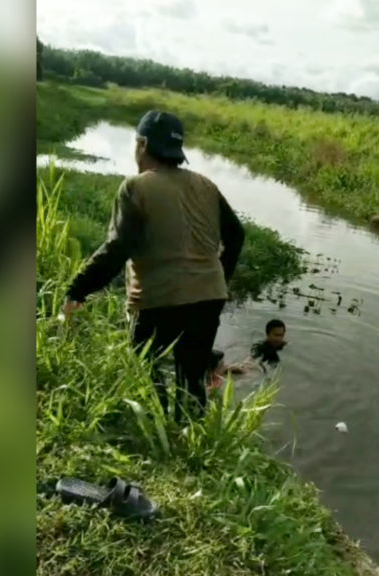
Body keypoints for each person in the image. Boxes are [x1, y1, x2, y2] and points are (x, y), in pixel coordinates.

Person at [62, 110, 245, 420]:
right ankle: (191, 446)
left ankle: (156, 442)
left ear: (142, 144)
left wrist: (77, 290)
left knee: (147, 375)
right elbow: (236, 235)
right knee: (191, 381)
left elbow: (119, 247)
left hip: (159, 301)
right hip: (209, 299)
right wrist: (217, 278)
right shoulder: (206, 184)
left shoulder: (136, 187)